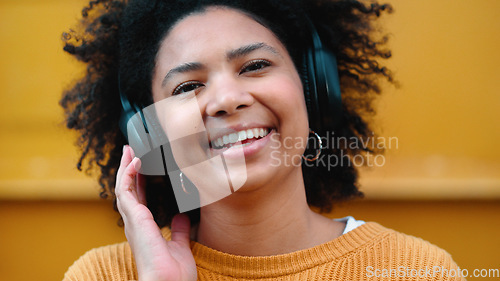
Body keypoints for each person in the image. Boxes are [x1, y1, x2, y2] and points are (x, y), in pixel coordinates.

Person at [61, 0, 465, 280]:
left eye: (255, 65)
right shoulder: (102, 276)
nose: (227, 100)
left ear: (314, 88)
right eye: (187, 87)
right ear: (149, 131)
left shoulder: (415, 269)